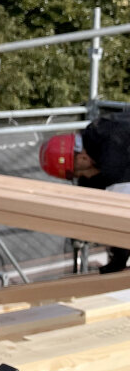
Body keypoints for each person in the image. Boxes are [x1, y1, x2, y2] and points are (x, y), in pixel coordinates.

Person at [39, 113, 130, 274]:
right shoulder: (97, 149)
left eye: (78, 174)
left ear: (82, 159)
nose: (83, 177)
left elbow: (122, 209)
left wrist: (119, 258)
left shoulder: (113, 155)